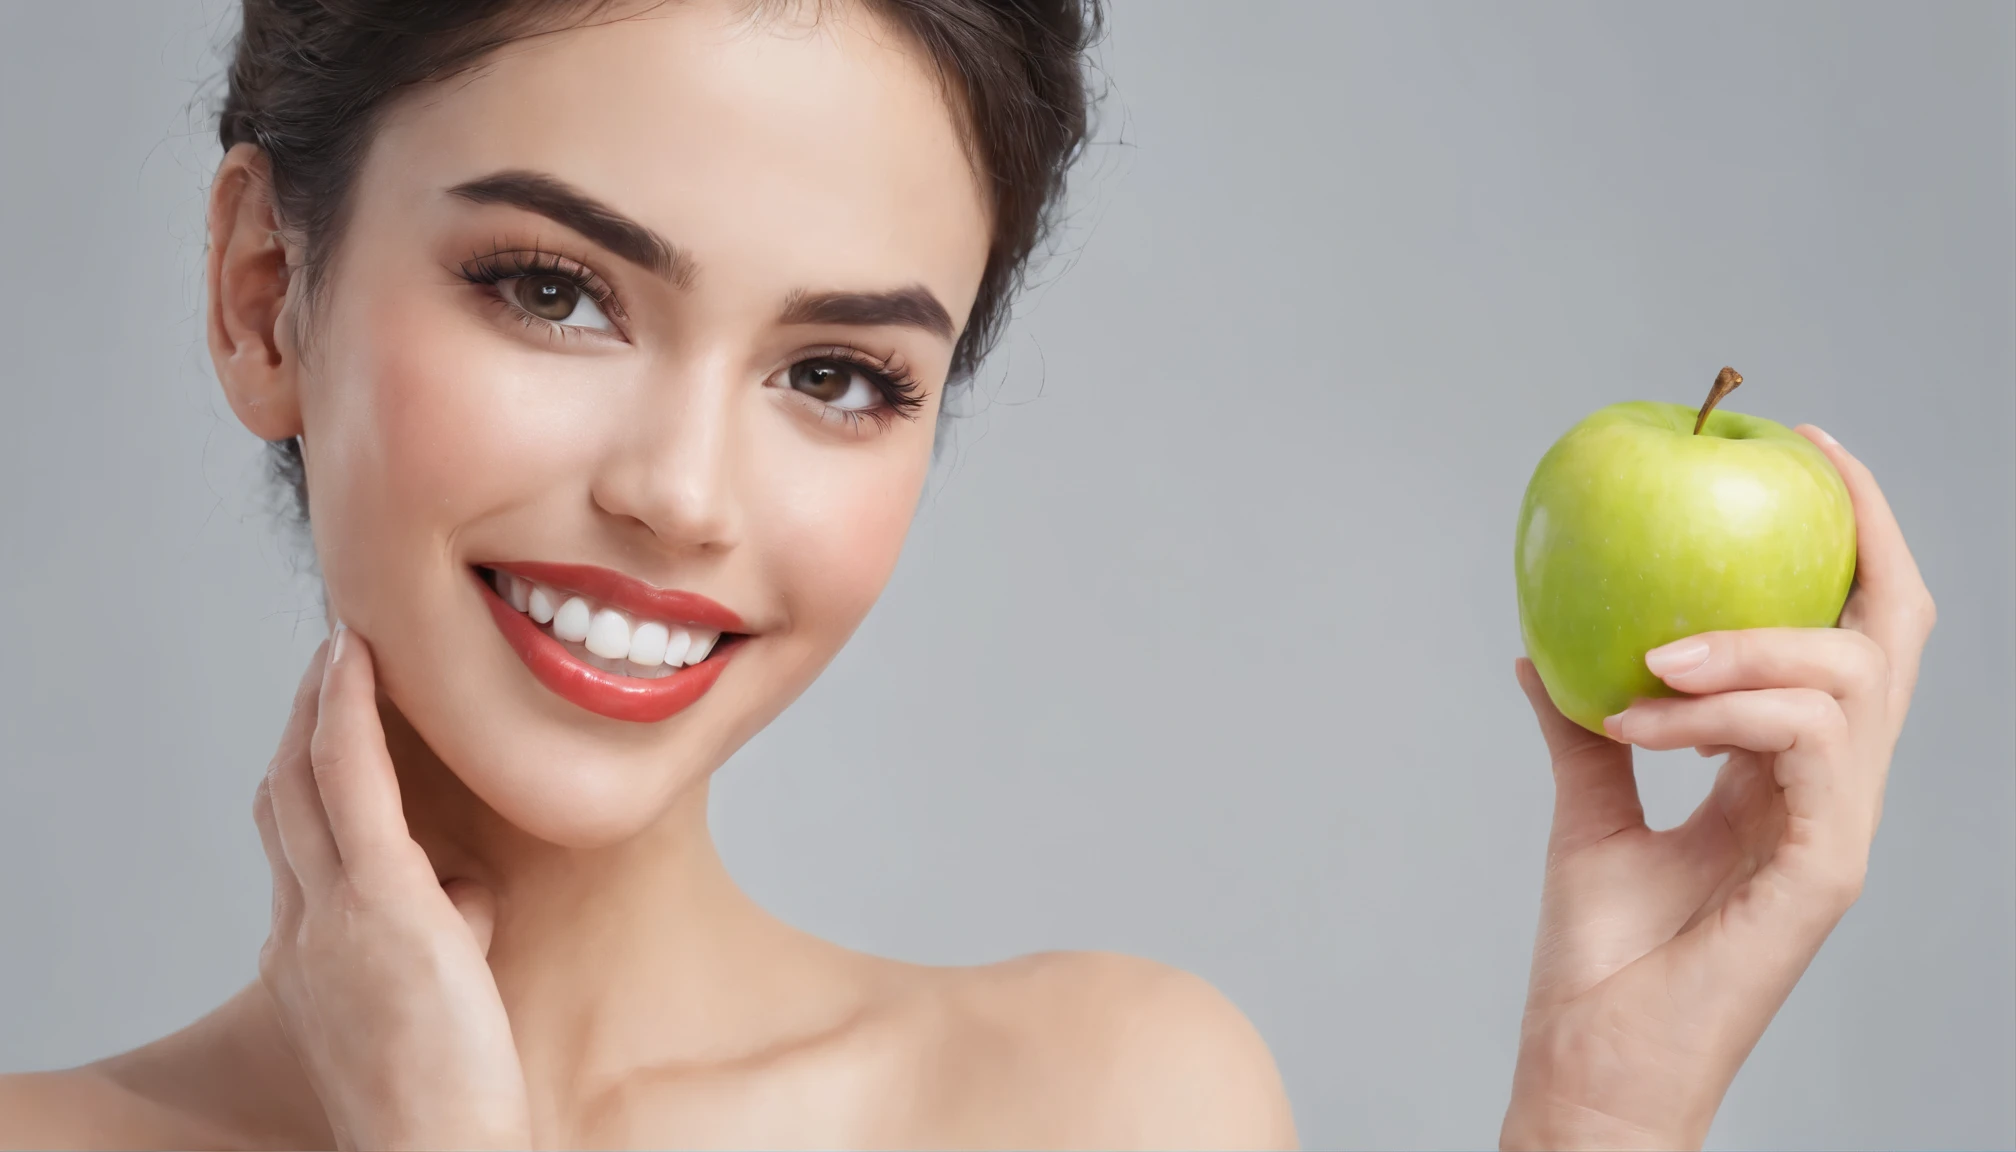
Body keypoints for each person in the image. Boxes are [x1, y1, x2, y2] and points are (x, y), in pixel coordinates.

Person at [0, 1, 1937, 1147]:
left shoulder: (1106, 1109)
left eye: (835, 375)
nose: (682, 495)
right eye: (554, 290)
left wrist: (1597, 1118)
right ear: (267, 292)